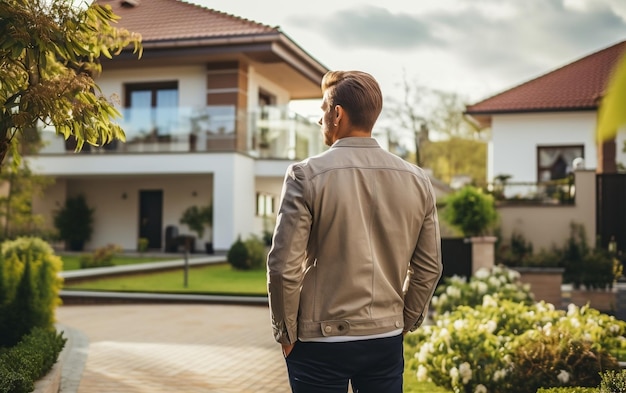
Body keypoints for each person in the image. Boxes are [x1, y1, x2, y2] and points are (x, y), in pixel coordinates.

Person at [266, 70, 443, 393]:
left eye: (322, 110)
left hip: (320, 341)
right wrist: (404, 321)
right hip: (384, 340)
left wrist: (286, 333)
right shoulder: (418, 181)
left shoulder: (305, 176)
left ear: (337, 114)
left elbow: (283, 269)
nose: (320, 120)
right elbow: (429, 268)